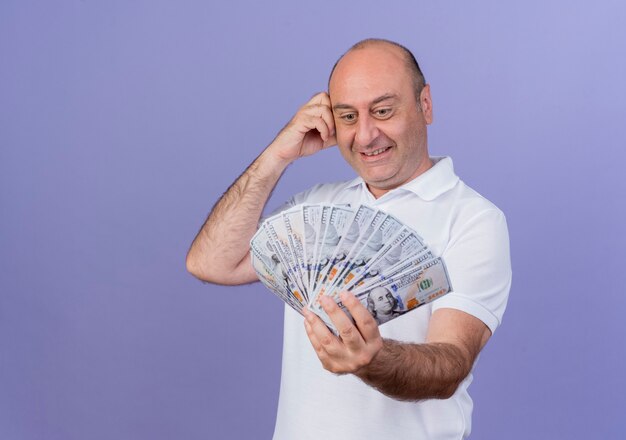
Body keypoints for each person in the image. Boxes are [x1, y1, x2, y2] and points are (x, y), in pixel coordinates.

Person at [186, 38, 512, 439]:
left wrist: (371, 360)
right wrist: (277, 155)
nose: (366, 135)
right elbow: (210, 262)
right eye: (348, 116)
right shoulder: (315, 207)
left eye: (383, 110)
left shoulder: (474, 219)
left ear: (425, 105)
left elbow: (450, 364)